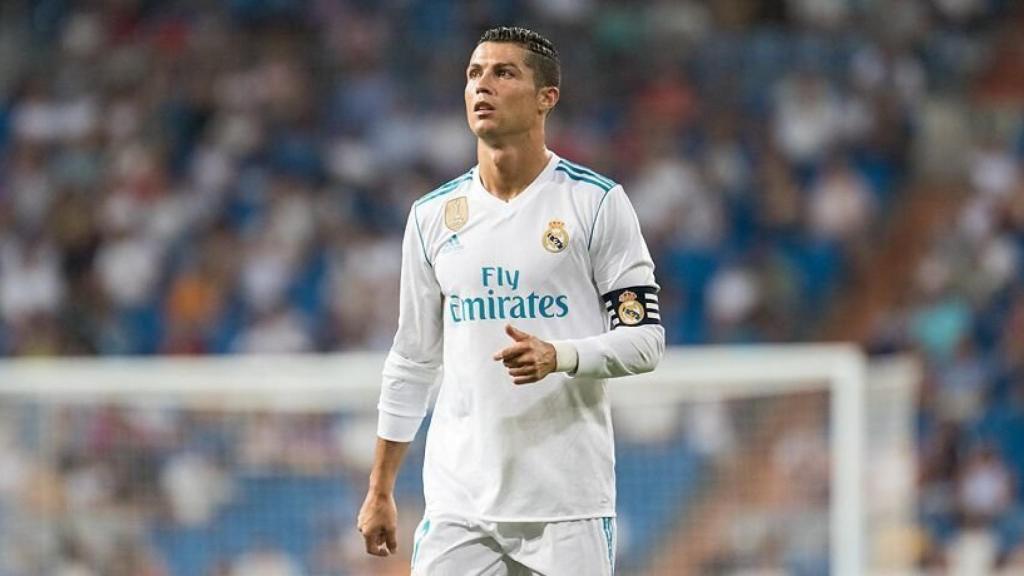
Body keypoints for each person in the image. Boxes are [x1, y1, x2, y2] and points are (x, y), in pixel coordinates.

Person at [357, 26, 664, 575]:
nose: (483, 85)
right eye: (475, 73)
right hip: (458, 506)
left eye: (504, 73)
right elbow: (411, 360)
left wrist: (560, 355)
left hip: (567, 505)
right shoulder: (432, 217)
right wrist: (381, 488)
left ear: (547, 97)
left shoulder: (596, 203)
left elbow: (644, 341)